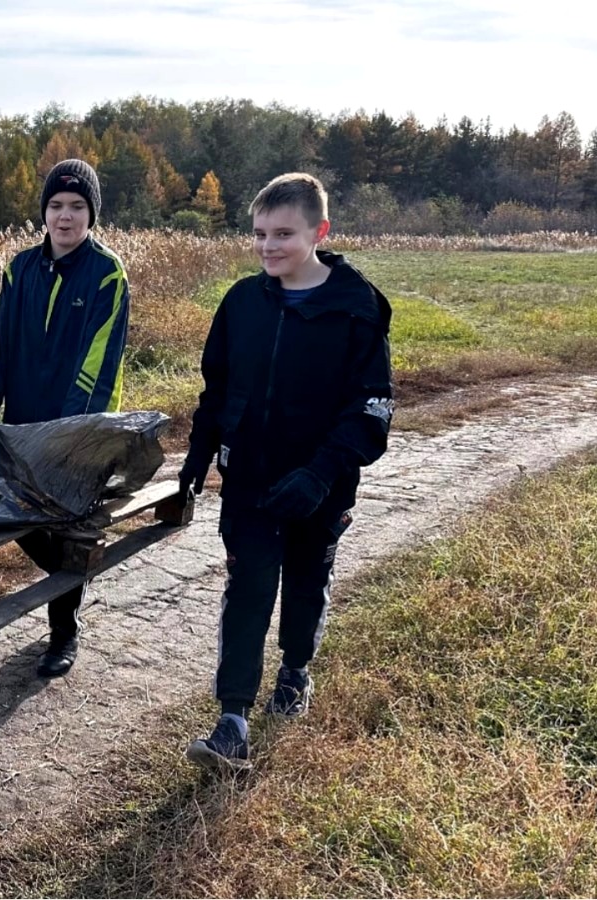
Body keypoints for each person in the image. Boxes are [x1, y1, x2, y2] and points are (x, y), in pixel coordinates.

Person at [178, 172, 394, 774]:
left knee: (302, 587)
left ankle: (296, 672)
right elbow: (217, 389)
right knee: (248, 588)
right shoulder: (243, 302)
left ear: (320, 232)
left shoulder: (357, 308)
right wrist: (198, 456)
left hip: (318, 489)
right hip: (248, 476)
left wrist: (322, 475)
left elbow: (372, 409)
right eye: (260, 235)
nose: (269, 247)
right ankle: (232, 722)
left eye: (284, 234)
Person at [0, 158, 130, 678]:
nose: (65, 216)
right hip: (21, 427)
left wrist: (68, 439)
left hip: (80, 432)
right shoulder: (19, 270)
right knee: (20, 520)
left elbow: (97, 368)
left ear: (91, 214)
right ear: (44, 212)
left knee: (65, 525)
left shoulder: (107, 276)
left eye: (77, 206)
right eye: (56, 205)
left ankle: (64, 631)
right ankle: (71, 574)